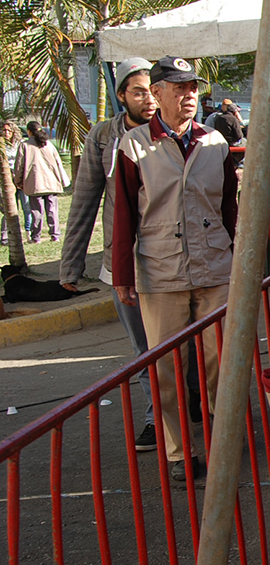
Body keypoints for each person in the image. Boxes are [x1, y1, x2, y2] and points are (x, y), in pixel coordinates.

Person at [111, 56, 239, 486]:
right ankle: (179, 452)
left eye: (193, 89)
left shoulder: (215, 142)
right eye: (179, 88)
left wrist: (240, 258)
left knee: (221, 358)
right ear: (159, 92)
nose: (188, 96)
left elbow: (229, 208)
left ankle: (224, 442)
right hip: (160, 268)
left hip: (214, 265)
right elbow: (124, 212)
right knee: (166, 367)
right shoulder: (133, 146)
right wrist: (122, 272)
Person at [60, 57, 160, 451]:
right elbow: (85, 199)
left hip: (170, 260)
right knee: (144, 349)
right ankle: (156, 417)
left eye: (153, 90)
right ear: (121, 96)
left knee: (181, 345)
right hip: (123, 265)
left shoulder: (168, 132)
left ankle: (191, 410)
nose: (148, 99)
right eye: (138, 91)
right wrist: (71, 264)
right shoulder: (103, 137)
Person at [13, 121, 68, 243]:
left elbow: (19, 166)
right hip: (51, 183)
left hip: (34, 183)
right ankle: (55, 235)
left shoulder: (25, 145)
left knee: (36, 211)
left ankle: (36, 237)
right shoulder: (48, 144)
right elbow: (58, 163)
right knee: (52, 210)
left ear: (29, 131)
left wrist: (18, 181)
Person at [1, 121, 30, 246]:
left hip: (21, 178)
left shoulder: (20, 144)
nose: (6, 133)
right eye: (4, 130)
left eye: (9, 130)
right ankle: (4, 236)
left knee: (27, 207)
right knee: (10, 209)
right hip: (6, 180)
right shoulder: (1, 145)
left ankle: (30, 233)